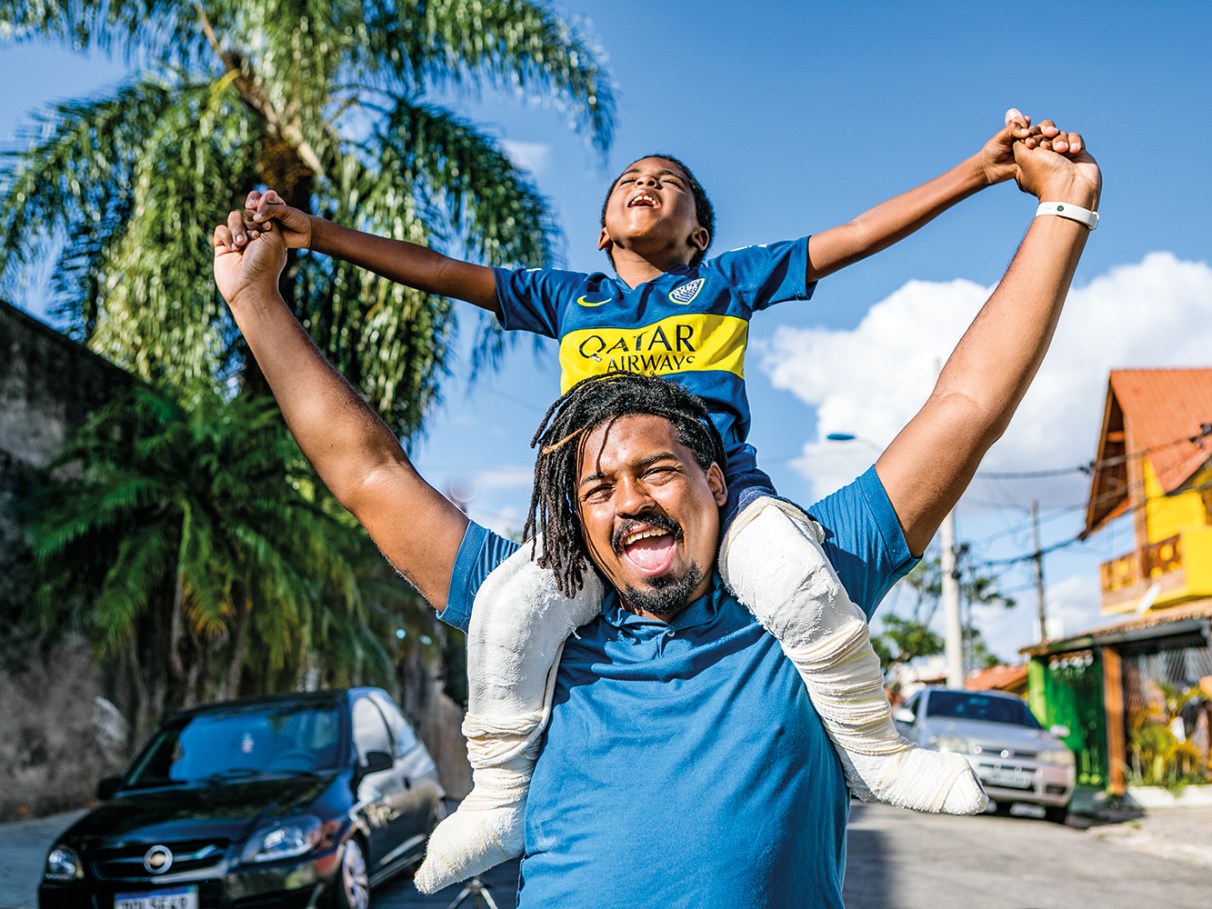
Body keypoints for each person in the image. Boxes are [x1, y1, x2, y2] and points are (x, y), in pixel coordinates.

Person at [214, 123, 1099, 905]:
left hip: (764, 542)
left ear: (710, 478)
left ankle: (877, 747)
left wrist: (1056, 210)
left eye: (656, 470)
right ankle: (494, 800)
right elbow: (367, 468)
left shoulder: (805, 584)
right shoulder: (538, 602)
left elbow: (967, 404)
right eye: (597, 485)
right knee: (511, 611)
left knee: (788, 566)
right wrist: (261, 293)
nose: (628, 496)